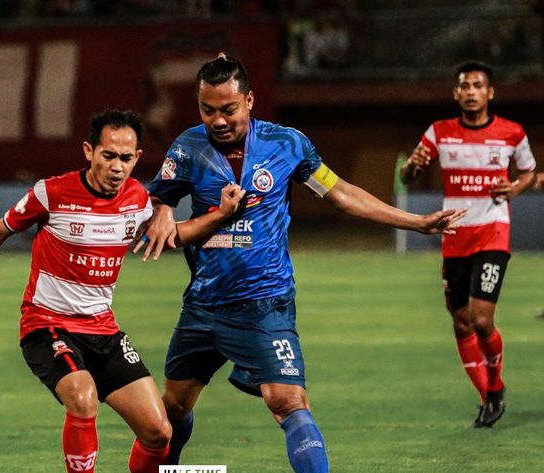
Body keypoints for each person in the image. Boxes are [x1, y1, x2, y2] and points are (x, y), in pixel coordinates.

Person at [135, 53, 465, 473]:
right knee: (172, 410)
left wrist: (416, 222)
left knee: (288, 401)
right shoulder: (188, 147)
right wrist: (161, 207)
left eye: (228, 109)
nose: (218, 120)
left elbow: (340, 193)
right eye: (208, 109)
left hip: (264, 304)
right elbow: (155, 197)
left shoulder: (286, 144)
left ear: (250, 101)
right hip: (203, 305)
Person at [0, 109, 245, 473]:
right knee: (82, 397)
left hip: (103, 332)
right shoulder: (52, 193)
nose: (116, 166)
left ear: (137, 158)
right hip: (47, 327)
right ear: (88, 151)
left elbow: (170, 236)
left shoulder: (137, 200)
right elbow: (0, 229)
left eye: (126, 158)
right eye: (108, 155)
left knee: (158, 432)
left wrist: (219, 215)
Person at [400, 61, 537, 428]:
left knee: (480, 318)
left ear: (490, 92)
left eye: (478, 85)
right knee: (461, 323)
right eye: (465, 86)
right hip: (455, 236)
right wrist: (412, 166)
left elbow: (529, 174)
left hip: (493, 231)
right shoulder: (439, 132)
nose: (471, 91)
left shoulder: (511, 133)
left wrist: (515, 187)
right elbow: (408, 175)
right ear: (456, 93)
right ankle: (489, 394)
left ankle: (493, 387)